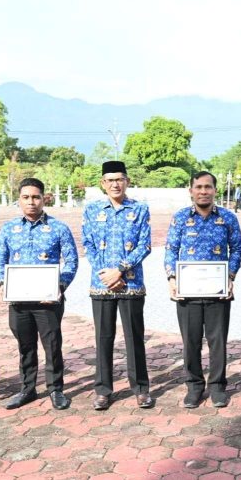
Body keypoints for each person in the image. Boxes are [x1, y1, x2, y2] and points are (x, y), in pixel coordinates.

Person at [0, 178, 79, 410]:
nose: (31, 202)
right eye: (26, 197)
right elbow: (0, 259)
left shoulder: (59, 228)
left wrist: (59, 287)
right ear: (19, 199)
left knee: (52, 345)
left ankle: (55, 389)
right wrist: (3, 283)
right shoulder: (9, 228)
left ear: (44, 198)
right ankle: (27, 389)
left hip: (48, 301)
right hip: (19, 300)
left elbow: (71, 260)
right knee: (25, 346)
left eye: (35, 197)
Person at [165, 172, 241, 408]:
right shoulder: (180, 218)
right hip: (187, 292)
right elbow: (171, 250)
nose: (203, 191)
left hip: (217, 291)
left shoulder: (228, 218)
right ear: (191, 190)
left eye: (208, 187)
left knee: (217, 340)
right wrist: (171, 278)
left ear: (215, 190)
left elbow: (237, 248)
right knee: (190, 341)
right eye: (198, 187)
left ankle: (218, 386)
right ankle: (194, 386)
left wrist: (230, 276)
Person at [82, 160, 153, 411]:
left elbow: (145, 245)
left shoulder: (140, 209)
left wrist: (120, 270)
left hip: (131, 283)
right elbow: (88, 244)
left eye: (119, 179)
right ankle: (103, 390)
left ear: (127, 181)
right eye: (110, 180)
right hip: (101, 284)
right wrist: (106, 275)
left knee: (134, 337)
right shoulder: (92, 210)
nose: (115, 184)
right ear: (103, 183)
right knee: (103, 338)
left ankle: (141, 389)